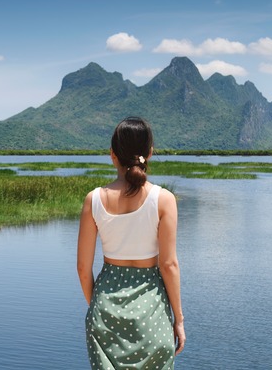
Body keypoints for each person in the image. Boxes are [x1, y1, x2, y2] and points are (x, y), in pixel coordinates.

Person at [77, 116, 186, 369]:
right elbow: (168, 265)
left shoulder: (93, 200)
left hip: (105, 308)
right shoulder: (164, 199)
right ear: (149, 153)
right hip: (152, 311)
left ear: (112, 154)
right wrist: (178, 320)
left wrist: (98, 307)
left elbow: (83, 269)